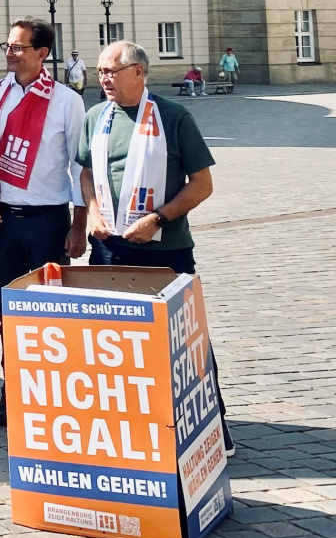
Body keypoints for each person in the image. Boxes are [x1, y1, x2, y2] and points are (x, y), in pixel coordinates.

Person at [79, 40, 231, 454]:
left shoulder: (173, 116)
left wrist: (158, 219)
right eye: (100, 72)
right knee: (113, 338)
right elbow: (88, 174)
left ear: (138, 72)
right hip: (110, 248)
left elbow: (203, 184)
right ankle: (132, 423)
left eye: (111, 71)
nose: (104, 79)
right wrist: (92, 213)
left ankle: (212, 421)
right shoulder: (96, 117)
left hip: (165, 248)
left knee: (185, 339)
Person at [0, 21, 87, 428]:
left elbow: (79, 165)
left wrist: (79, 224)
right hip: (3, 222)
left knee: (52, 313)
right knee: (10, 314)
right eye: (8, 46)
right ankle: (13, 395)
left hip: (48, 221)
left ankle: (55, 399)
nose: (11, 53)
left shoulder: (65, 101)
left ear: (42, 53)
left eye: (20, 47)